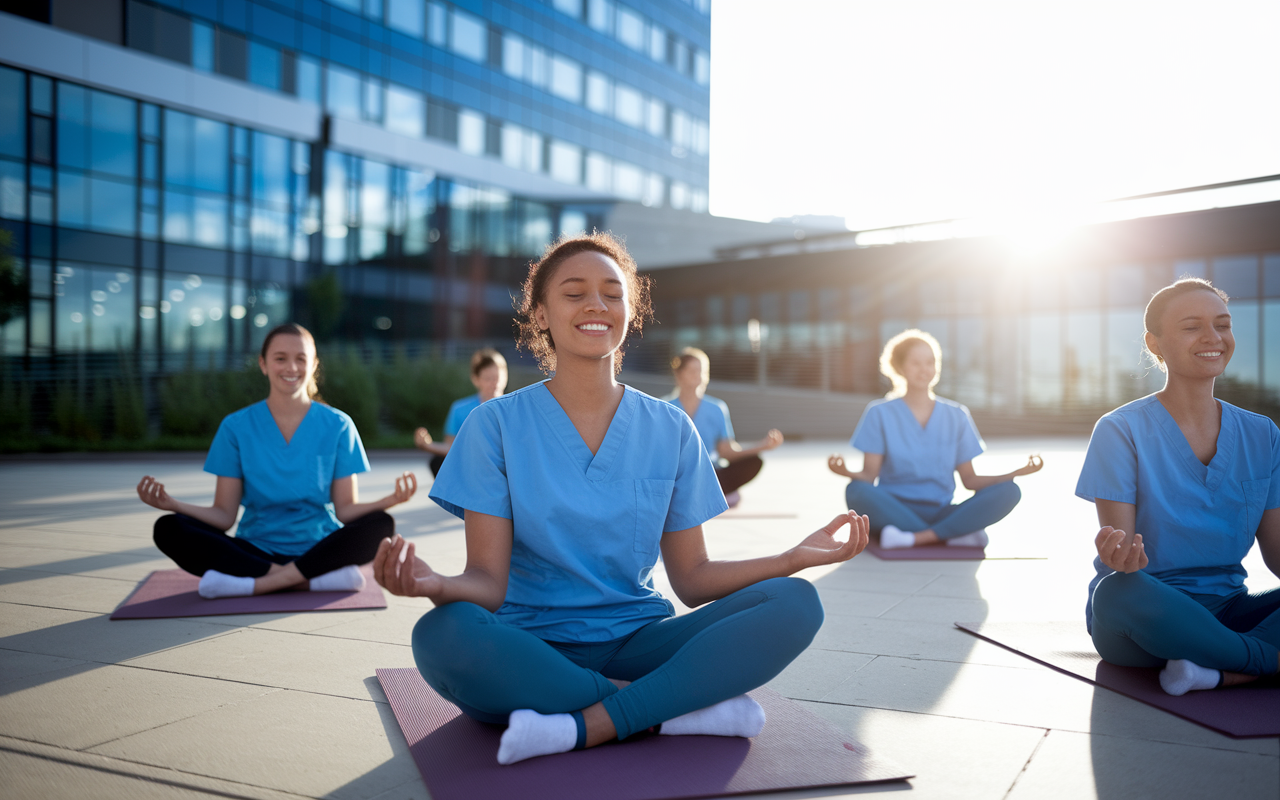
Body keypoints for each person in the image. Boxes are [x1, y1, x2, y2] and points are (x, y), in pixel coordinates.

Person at [373, 232, 870, 765]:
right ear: (540, 314)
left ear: (631, 312)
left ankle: (586, 721)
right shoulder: (492, 426)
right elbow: (488, 587)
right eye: (574, 292)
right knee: (442, 635)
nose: (596, 304)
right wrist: (435, 585)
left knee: (794, 602)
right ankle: (673, 708)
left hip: (639, 644)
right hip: (529, 649)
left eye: (613, 293)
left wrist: (791, 559)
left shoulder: (672, 428)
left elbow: (694, 578)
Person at [1076, 278, 1280, 696]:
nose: (1213, 338)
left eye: (1222, 325)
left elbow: (1277, 556)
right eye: (1192, 327)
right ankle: (1258, 663)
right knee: (1117, 592)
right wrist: (1121, 559)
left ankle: (1220, 669)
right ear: (1155, 343)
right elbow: (1123, 563)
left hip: (1228, 610)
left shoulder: (1264, 435)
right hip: (1147, 613)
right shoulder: (1120, 430)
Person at [137, 323, 418, 599]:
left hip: (319, 547)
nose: (291, 368)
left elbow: (345, 510)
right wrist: (172, 504)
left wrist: (390, 499)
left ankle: (256, 584)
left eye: (301, 359)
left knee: (381, 524)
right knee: (169, 528)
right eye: (280, 358)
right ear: (263, 364)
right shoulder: (235, 427)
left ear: (314, 364)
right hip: (255, 549)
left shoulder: (338, 425)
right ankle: (305, 580)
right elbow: (223, 516)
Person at [827, 328, 1042, 549]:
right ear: (900, 367)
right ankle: (952, 533)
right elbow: (868, 476)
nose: (925, 369)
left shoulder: (957, 415)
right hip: (894, 508)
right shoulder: (879, 413)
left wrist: (1014, 473)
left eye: (930, 362)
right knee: (856, 491)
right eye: (916, 363)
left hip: (941, 510)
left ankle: (915, 537)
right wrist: (845, 471)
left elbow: (970, 481)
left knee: (1010, 491)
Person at [667, 347, 783, 508]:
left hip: (709, 475)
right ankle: (709, 496)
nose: (697, 375)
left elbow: (727, 452)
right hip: (676, 476)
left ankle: (706, 494)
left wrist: (762, 446)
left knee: (754, 463)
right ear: (678, 374)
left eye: (701, 370)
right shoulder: (665, 408)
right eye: (691, 370)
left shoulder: (717, 408)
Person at [414, 348, 508, 477]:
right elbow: (451, 448)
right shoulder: (460, 409)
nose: (495, 383)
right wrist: (427, 446)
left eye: (498, 377)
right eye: (488, 378)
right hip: (472, 469)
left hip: (502, 468)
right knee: (438, 463)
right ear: (475, 379)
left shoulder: (515, 408)